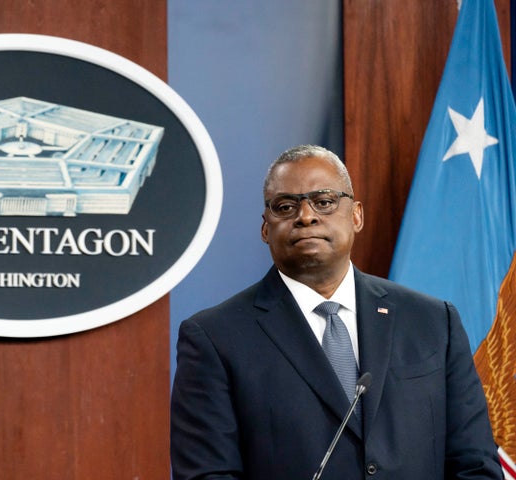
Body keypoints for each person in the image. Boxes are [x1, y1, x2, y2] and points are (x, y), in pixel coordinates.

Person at [170, 145, 503, 480]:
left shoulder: (433, 322)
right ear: (265, 229)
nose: (306, 216)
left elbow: (476, 466)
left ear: (356, 215)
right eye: (285, 207)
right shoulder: (215, 338)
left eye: (324, 201)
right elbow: (208, 475)